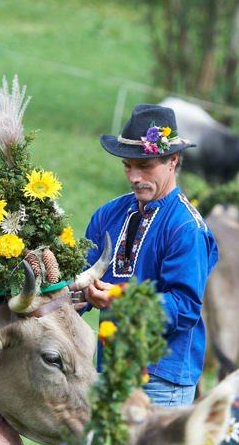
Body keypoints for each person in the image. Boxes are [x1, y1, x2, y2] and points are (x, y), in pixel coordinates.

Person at [80, 103, 219, 407]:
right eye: (128, 166)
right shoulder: (108, 215)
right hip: (110, 369)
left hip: (161, 379)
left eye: (145, 166)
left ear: (173, 161)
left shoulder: (186, 228)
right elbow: (76, 281)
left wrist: (120, 298)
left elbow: (184, 308)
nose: (133, 177)